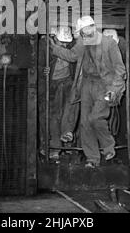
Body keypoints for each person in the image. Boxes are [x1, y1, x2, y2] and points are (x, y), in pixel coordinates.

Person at [50, 16, 126, 168]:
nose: (86, 35)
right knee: (85, 122)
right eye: (83, 33)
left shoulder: (109, 43)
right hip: (86, 84)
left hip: (104, 85)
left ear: (93, 27)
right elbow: (71, 56)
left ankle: (108, 145)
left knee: (96, 117)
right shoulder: (83, 42)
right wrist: (54, 48)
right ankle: (92, 158)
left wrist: (114, 89)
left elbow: (120, 69)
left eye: (87, 31)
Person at [38, 27, 79, 161]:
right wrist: (42, 71)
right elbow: (35, 64)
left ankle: (68, 144)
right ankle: (54, 148)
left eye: (67, 43)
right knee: (52, 115)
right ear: (54, 37)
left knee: (69, 110)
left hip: (67, 81)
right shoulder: (44, 45)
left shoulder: (73, 44)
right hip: (50, 84)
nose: (65, 45)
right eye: (62, 43)